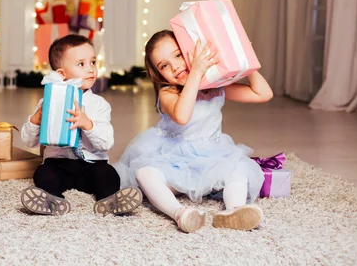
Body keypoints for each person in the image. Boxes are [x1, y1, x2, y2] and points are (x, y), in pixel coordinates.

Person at [115, 30, 273, 232]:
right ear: (158, 73)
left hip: (212, 157)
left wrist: (244, 59)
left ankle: (234, 210)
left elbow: (263, 93)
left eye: (179, 55)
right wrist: (196, 73)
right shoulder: (168, 93)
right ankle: (180, 213)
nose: (175, 66)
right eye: (164, 65)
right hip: (173, 159)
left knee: (239, 170)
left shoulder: (215, 86)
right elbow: (182, 115)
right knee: (145, 174)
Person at [20, 34, 142, 216]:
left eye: (93, 62)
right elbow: (29, 141)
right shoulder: (48, 102)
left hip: (92, 163)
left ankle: (109, 200)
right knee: (43, 174)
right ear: (61, 74)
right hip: (59, 162)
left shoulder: (99, 104)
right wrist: (36, 119)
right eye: (81, 64)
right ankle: (51, 200)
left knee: (108, 174)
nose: (91, 69)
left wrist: (88, 125)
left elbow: (106, 143)